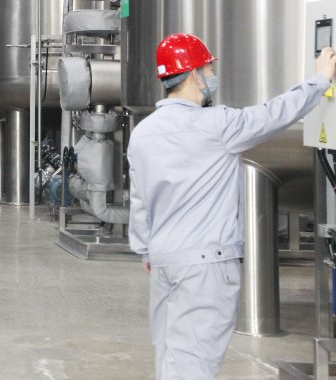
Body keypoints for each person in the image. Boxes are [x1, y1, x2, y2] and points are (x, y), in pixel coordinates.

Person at [128, 33, 336, 379]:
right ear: (194, 75)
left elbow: (139, 199)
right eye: (209, 69)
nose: (212, 76)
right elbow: (274, 113)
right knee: (194, 363)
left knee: (171, 356)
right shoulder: (218, 125)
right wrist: (320, 79)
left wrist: (147, 249)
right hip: (206, 265)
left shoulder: (143, 132)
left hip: (164, 261)